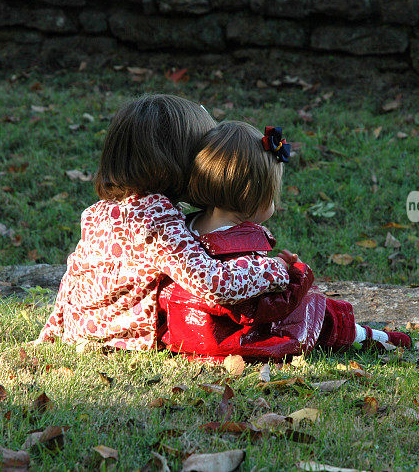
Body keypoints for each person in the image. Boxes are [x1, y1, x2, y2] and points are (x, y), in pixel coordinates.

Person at [33, 95, 291, 350]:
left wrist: (50, 334)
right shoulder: (156, 219)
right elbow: (210, 283)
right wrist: (275, 270)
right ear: (178, 161)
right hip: (117, 338)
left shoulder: (99, 211)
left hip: (79, 330)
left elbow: (73, 275)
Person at [158, 121, 411, 361]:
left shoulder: (184, 227)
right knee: (317, 310)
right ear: (253, 198)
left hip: (190, 331)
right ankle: (367, 336)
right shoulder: (242, 244)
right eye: (271, 195)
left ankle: (363, 333)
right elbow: (260, 304)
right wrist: (287, 275)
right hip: (234, 335)